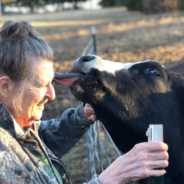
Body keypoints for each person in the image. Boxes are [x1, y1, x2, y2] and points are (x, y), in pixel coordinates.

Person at [0, 20, 168, 184]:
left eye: (51, 82)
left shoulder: (17, 125)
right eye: (42, 85)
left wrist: (79, 118)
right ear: (5, 86)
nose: (52, 95)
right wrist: (107, 179)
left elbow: (36, 141)